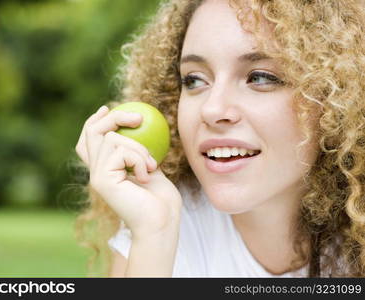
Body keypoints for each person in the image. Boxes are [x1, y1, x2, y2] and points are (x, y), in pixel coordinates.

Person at [75, 0, 365, 277]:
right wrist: (155, 235)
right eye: (194, 80)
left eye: (260, 77)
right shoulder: (160, 217)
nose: (212, 110)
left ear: (339, 96)